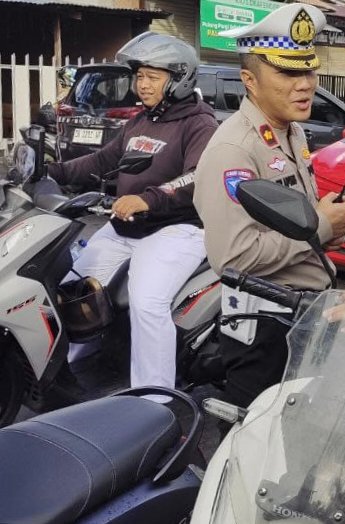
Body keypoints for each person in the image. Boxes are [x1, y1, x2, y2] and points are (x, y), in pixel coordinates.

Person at [192, 3, 345, 408]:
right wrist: (320, 228)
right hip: (265, 322)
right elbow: (235, 256)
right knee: (256, 447)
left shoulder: (290, 131)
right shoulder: (234, 149)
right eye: (287, 71)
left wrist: (325, 224)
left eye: (309, 69)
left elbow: (287, 220)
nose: (305, 84)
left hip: (303, 313)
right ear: (249, 79)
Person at [47, 33, 218, 393]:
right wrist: (52, 172)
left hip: (176, 229)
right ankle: (71, 366)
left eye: (153, 77)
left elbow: (198, 175)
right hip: (125, 227)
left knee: (147, 300)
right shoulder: (140, 122)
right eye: (140, 76)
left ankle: (153, 399)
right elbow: (102, 160)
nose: (143, 85)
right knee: (71, 288)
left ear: (180, 78)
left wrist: (148, 199)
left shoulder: (198, 123)